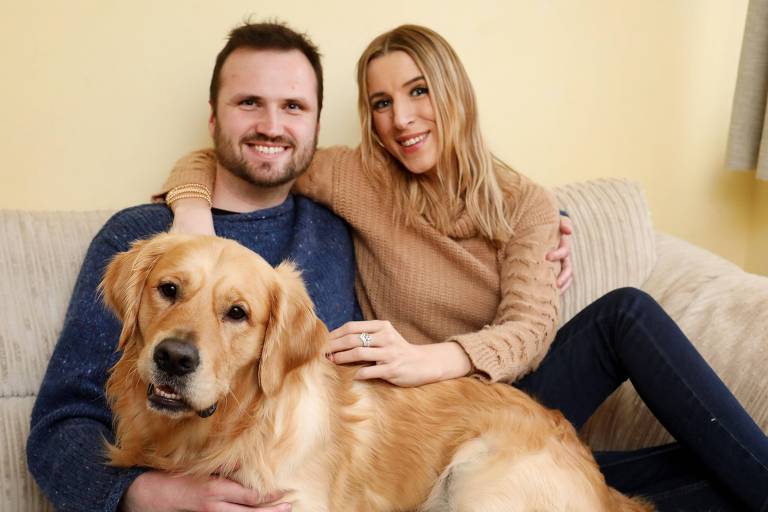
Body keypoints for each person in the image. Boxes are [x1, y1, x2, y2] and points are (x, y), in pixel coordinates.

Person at [165, 24, 768, 511]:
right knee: (704, 471)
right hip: (428, 422)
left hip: (511, 395)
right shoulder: (359, 178)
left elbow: (532, 330)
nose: (401, 118)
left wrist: (435, 357)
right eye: (381, 102)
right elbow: (253, 149)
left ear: (455, 92)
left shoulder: (525, 203)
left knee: (626, 311)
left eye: (418, 90)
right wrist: (190, 212)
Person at [26, 22, 364, 512]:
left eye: (293, 107)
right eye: (248, 102)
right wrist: (151, 495)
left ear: (315, 124)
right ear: (212, 117)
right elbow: (60, 425)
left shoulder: (339, 230)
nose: (271, 125)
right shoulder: (141, 235)